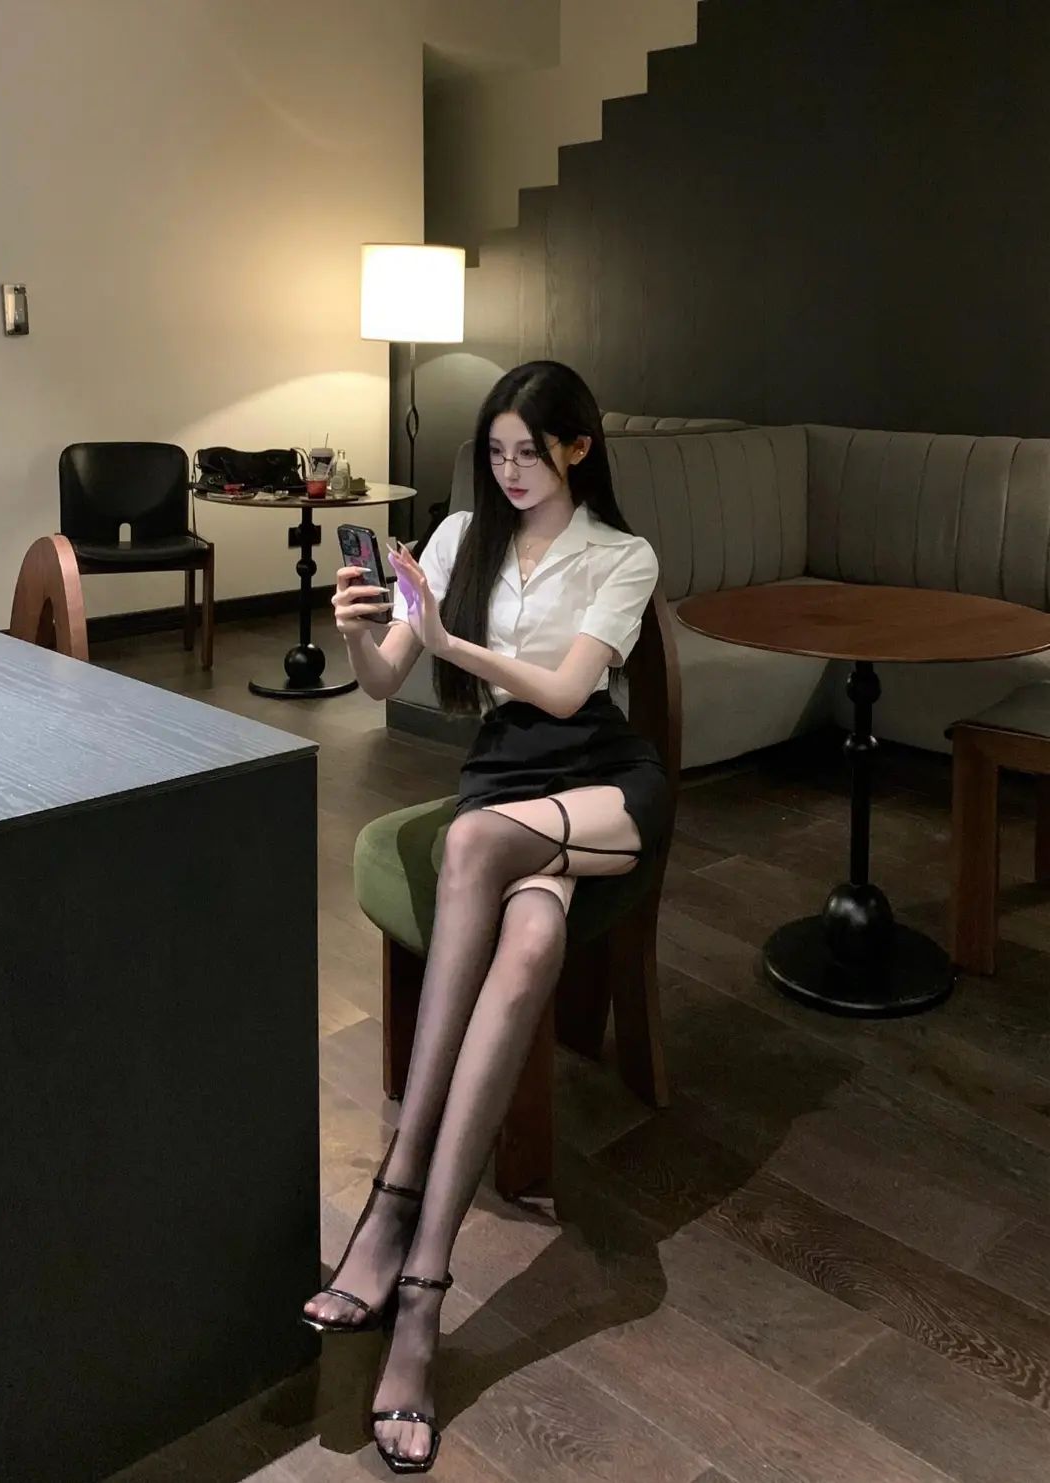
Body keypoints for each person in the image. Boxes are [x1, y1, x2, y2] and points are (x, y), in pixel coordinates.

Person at [302, 360, 671, 1475]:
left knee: (471, 844)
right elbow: (381, 682)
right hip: (508, 774)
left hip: (600, 780)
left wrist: (450, 641)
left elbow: (564, 693)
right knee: (532, 940)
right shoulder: (462, 535)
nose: (510, 472)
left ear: (578, 448)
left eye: (531, 451)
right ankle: (422, 1295)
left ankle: (392, 1202)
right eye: (496, 452)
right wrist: (364, 628)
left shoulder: (622, 555)